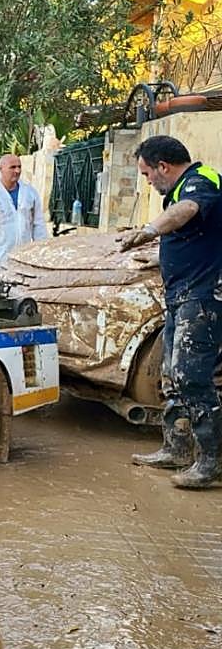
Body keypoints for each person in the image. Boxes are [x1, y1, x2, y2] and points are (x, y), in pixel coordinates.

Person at [122, 135, 222, 489]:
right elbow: (194, 236)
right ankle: (176, 448)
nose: (147, 180)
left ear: (163, 166)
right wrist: (160, 256)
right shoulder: (179, 189)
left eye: (147, 172)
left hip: (204, 296)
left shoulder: (200, 181)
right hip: (182, 295)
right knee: (172, 375)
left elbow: (188, 212)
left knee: (191, 376)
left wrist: (148, 230)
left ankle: (210, 461)